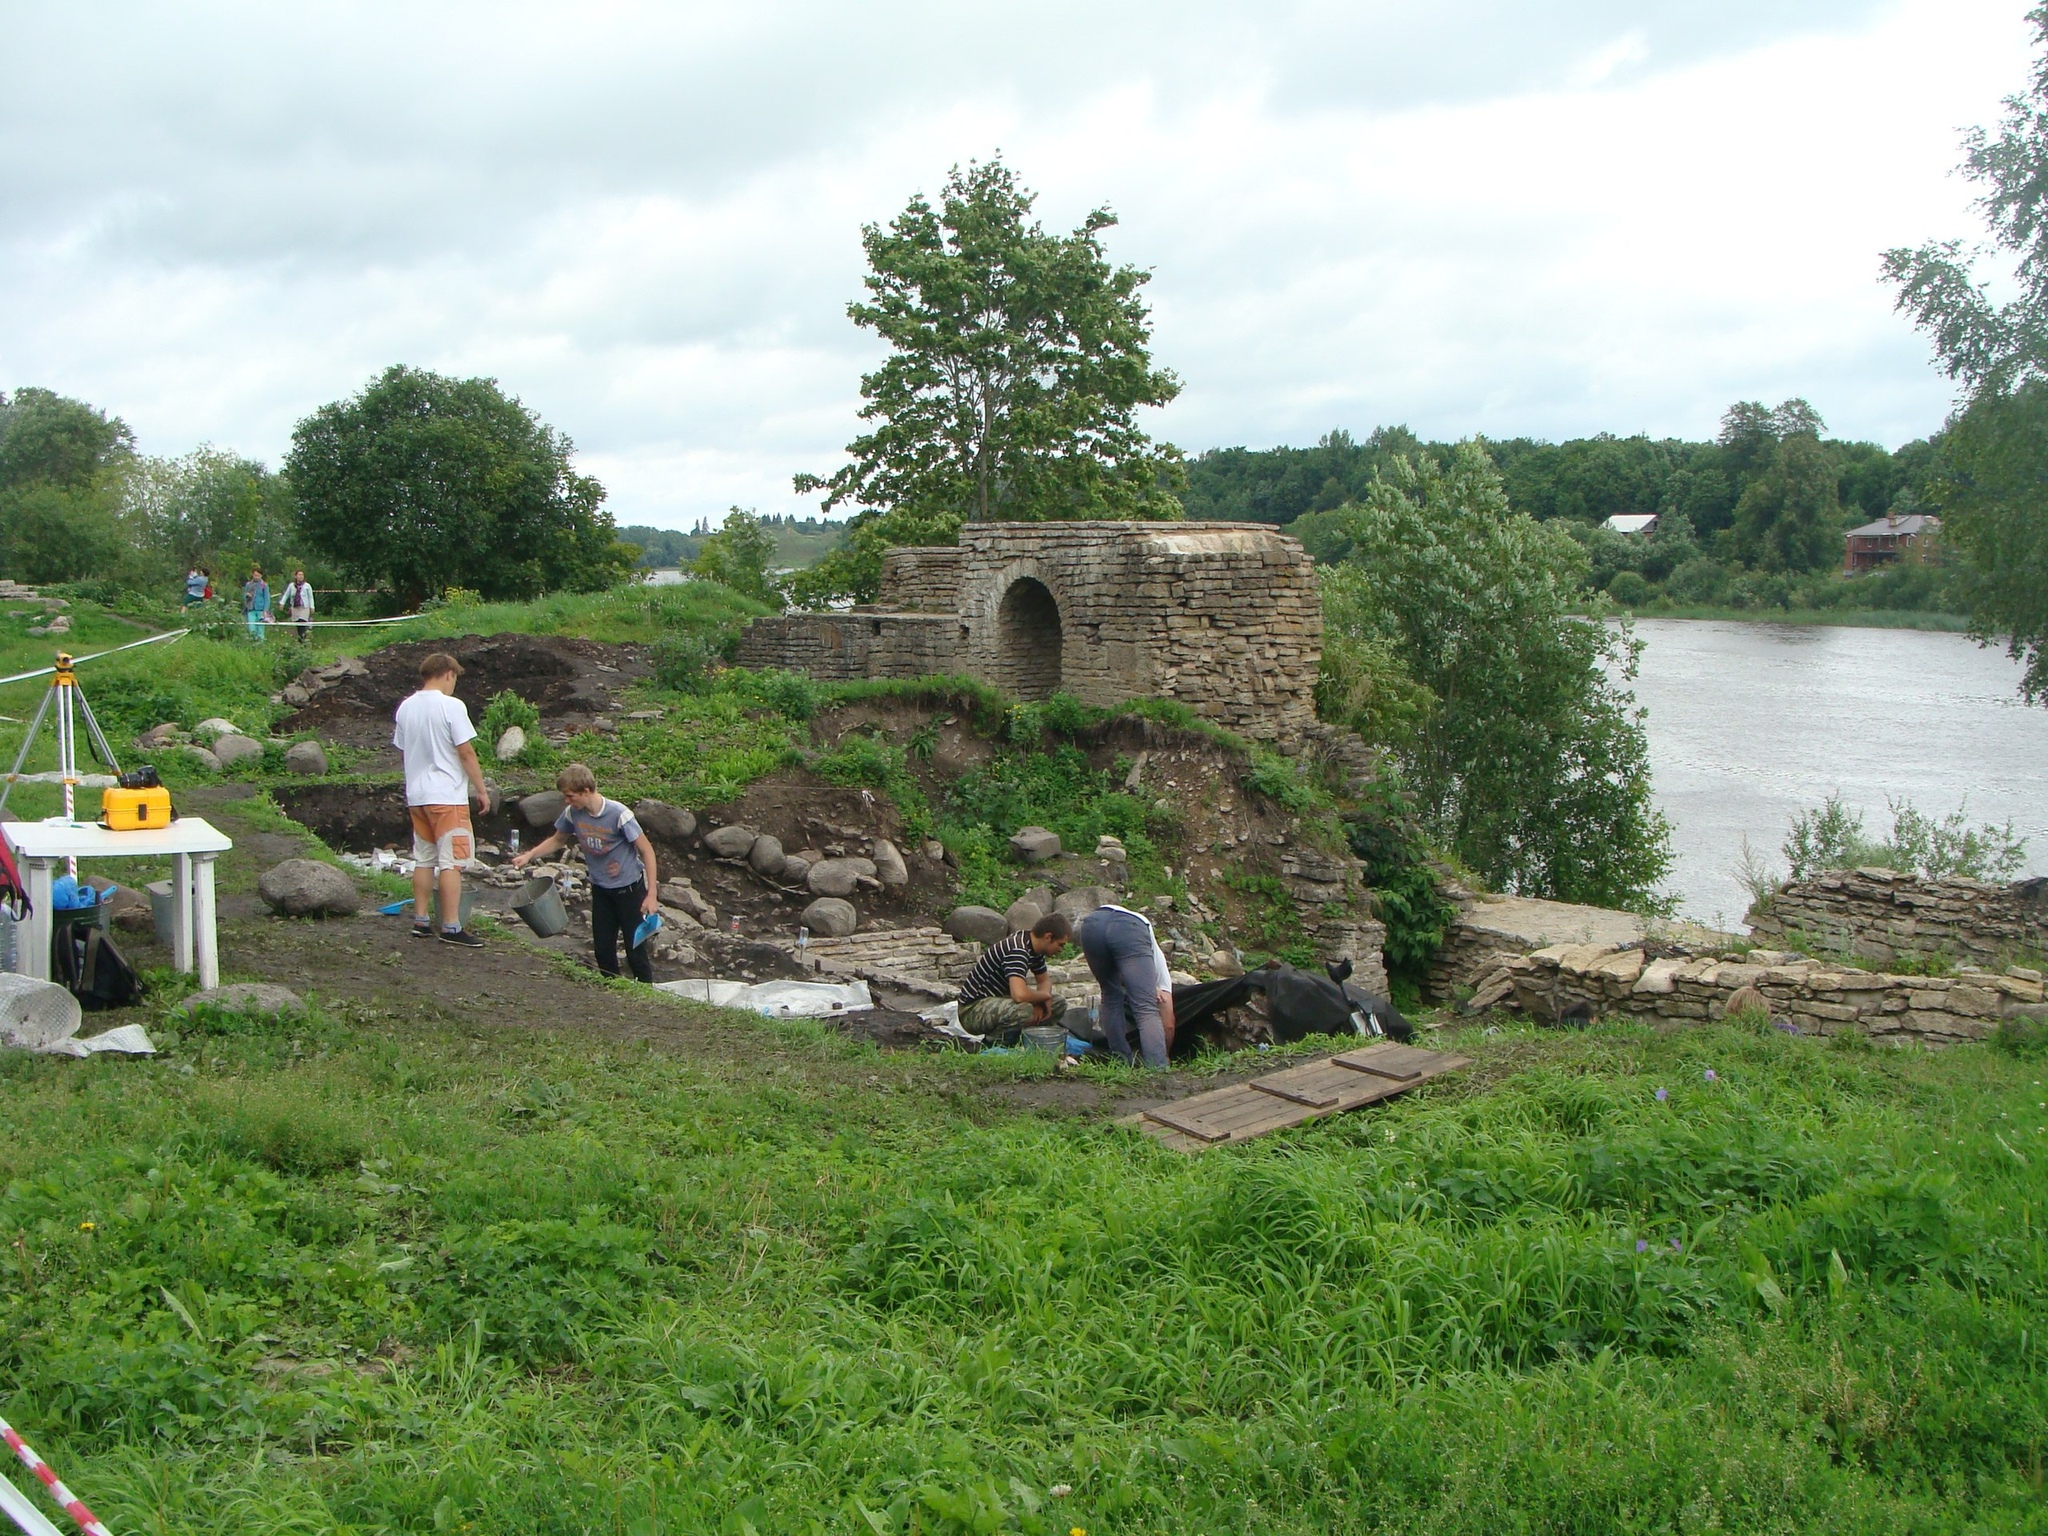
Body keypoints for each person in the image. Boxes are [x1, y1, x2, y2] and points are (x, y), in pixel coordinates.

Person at [508, 763, 660, 983]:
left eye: (570, 796)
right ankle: (612, 990)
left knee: (635, 951)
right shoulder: (573, 813)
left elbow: (647, 850)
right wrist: (529, 855)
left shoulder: (619, 814)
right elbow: (558, 839)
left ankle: (647, 995)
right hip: (601, 888)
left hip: (629, 890)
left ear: (586, 791)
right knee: (603, 950)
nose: (567, 801)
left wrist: (651, 893)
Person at [392, 652, 489, 948]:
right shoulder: (451, 706)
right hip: (447, 795)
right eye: (454, 678)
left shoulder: (406, 707)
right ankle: (451, 925)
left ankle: (421, 921)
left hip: (417, 795)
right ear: (448, 673)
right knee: (451, 862)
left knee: (423, 858)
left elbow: (403, 747)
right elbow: (466, 751)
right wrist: (481, 789)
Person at [1076, 903, 1176, 1069]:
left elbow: (1123, 971)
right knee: (1146, 1007)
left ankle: (1121, 1061)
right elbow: (1169, 1022)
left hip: (1092, 925)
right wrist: (1165, 1055)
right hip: (1127, 928)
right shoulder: (1161, 968)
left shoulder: (1146, 949)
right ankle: (1158, 1069)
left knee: (1110, 995)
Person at [953, 913, 1071, 1043]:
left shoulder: (1034, 947)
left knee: (1058, 1003)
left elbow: (1044, 981)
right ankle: (995, 1044)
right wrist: (1044, 997)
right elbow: (1019, 995)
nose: (1061, 950)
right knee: (1023, 1010)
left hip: (999, 1001)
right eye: (1061, 945)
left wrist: (1042, 1003)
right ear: (1048, 937)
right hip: (972, 1010)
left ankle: (1031, 1040)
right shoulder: (1017, 949)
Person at [280, 569, 316, 644]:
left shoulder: (307, 586)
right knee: (298, 624)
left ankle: (303, 641)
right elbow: (286, 595)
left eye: (302, 575)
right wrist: (282, 603)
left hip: (304, 608)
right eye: (299, 575)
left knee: (302, 622)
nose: (301, 576)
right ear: (296, 576)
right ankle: (301, 639)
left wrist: (312, 607)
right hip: (295, 608)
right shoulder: (291, 586)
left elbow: (310, 597)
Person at [241, 567, 270, 641]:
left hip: (260, 609)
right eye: (255, 575)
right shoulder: (248, 584)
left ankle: (261, 642)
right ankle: (253, 641)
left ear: (261, 576)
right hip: (251, 609)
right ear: (252, 575)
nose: (256, 577)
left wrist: (265, 610)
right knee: (251, 627)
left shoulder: (264, 585)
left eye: (258, 575)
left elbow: (267, 598)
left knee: (260, 627)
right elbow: (244, 595)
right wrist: (247, 595)